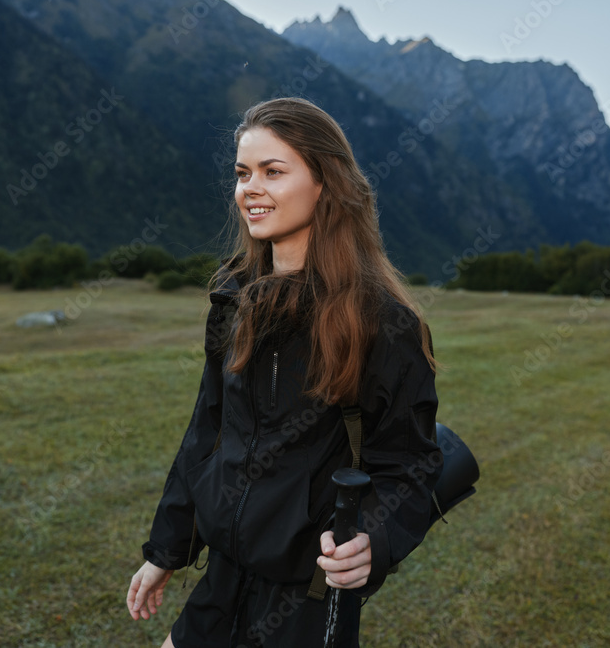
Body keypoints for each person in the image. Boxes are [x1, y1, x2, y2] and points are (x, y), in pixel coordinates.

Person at [126, 97, 442, 647]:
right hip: (222, 580)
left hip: (307, 600)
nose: (250, 188)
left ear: (326, 183)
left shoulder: (382, 325)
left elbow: (411, 464)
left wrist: (375, 538)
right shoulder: (232, 300)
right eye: (243, 173)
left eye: (273, 172)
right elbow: (207, 433)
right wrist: (166, 551)